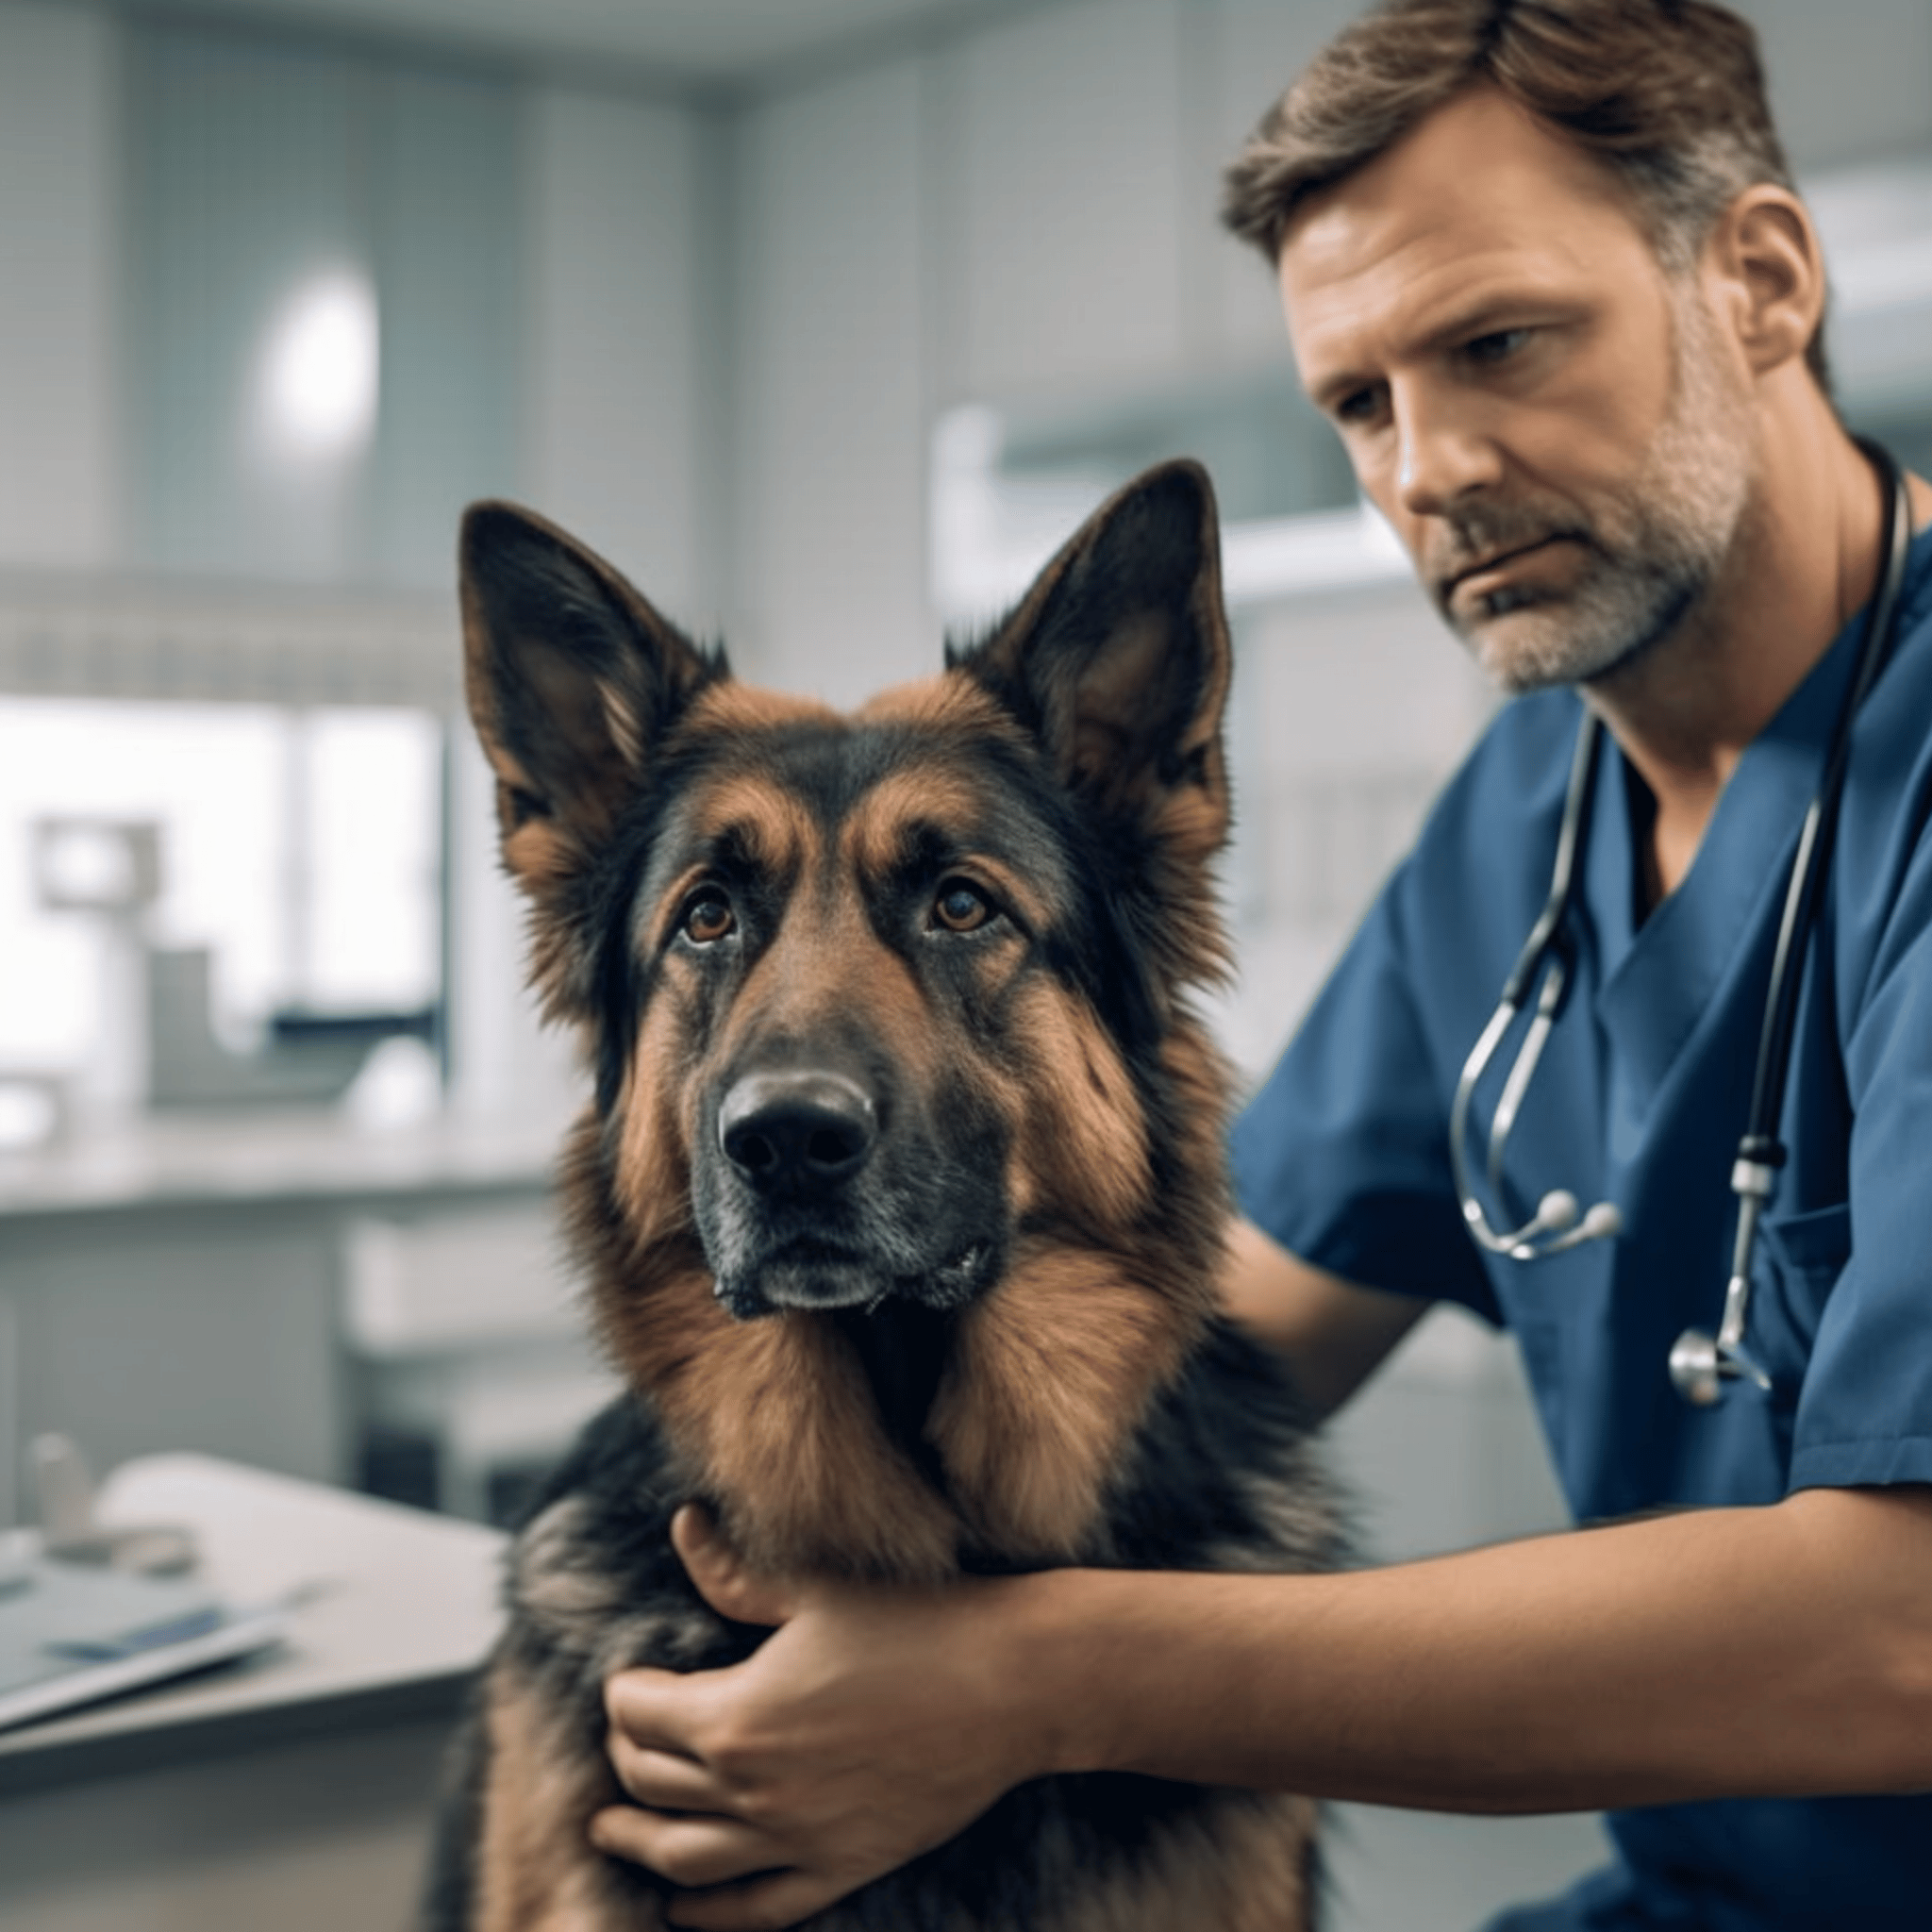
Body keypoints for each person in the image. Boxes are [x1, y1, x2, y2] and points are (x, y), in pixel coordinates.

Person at [584, 4, 1932, 1927]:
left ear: (1760, 280)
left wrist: (1035, 1682)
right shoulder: (1530, 821)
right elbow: (1201, 1340)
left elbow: (1905, 1632)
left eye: (1497, 344)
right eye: (1358, 403)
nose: (1429, 469)